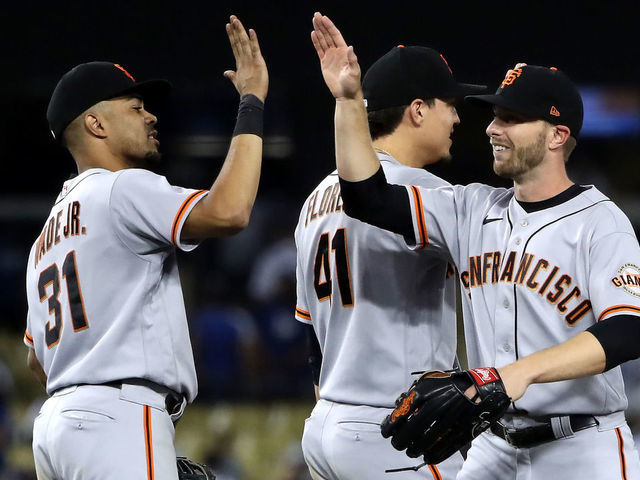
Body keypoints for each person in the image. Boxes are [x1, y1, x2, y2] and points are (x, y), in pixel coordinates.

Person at [311, 11, 640, 480]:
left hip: (582, 447)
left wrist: (513, 376)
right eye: (494, 115)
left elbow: (628, 329)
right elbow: (368, 198)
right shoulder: (470, 208)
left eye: (512, 118)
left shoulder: (599, 222)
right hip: (493, 447)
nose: (491, 127)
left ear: (557, 135)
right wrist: (347, 101)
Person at [23, 15, 267, 480]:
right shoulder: (121, 189)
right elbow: (230, 211)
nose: (151, 115)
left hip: (55, 427)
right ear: (95, 123)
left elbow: (37, 359)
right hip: (118, 415)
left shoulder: (44, 239)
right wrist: (252, 103)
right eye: (134, 107)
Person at [297, 14, 486, 479]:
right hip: (392, 426)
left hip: (325, 421)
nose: (458, 117)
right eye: (450, 104)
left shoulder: (315, 197)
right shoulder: (427, 192)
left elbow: (309, 334)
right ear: (418, 110)